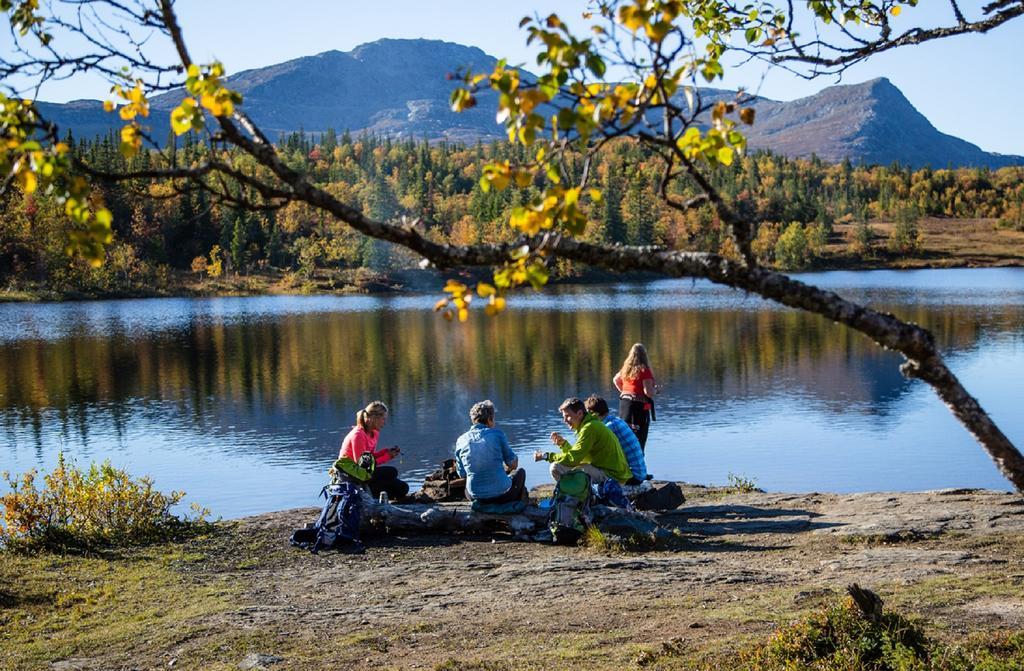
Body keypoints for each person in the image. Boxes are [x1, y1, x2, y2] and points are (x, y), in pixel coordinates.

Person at [534, 397, 632, 484]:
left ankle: (575, 497)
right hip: (613, 473)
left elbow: (573, 459)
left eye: (568, 416)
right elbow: (580, 456)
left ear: (580, 413)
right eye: (563, 417)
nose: (565, 420)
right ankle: (581, 495)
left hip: (614, 477)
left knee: (556, 467)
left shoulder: (589, 428)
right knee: (574, 467)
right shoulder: (589, 425)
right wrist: (563, 445)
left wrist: (546, 456)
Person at [453, 400, 526, 504]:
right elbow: (513, 464)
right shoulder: (498, 434)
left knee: (468, 487)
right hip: (502, 496)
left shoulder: (461, 440)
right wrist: (514, 459)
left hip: (475, 497)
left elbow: (462, 475)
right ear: (489, 419)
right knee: (521, 473)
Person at [336, 401, 409, 501]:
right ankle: (368, 493)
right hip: (352, 475)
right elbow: (363, 466)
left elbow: (370, 457)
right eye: (383, 419)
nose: (384, 422)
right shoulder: (358, 435)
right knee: (392, 472)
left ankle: (374, 493)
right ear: (374, 418)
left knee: (403, 488)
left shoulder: (373, 433)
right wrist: (388, 456)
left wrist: (385, 452)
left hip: (364, 472)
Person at [584, 394, 648, 485]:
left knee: (584, 468)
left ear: (595, 414)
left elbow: (590, 451)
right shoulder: (615, 420)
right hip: (639, 473)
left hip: (632, 476)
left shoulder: (608, 427)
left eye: (587, 414)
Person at [613, 342, 660, 451]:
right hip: (638, 407)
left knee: (624, 435)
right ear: (645, 355)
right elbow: (648, 392)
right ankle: (638, 462)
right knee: (639, 439)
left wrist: (624, 392)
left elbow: (615, 380)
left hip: (624, 404)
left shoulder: (626, 369)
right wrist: (657, 390)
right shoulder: (644, 370)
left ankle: (623, 462)